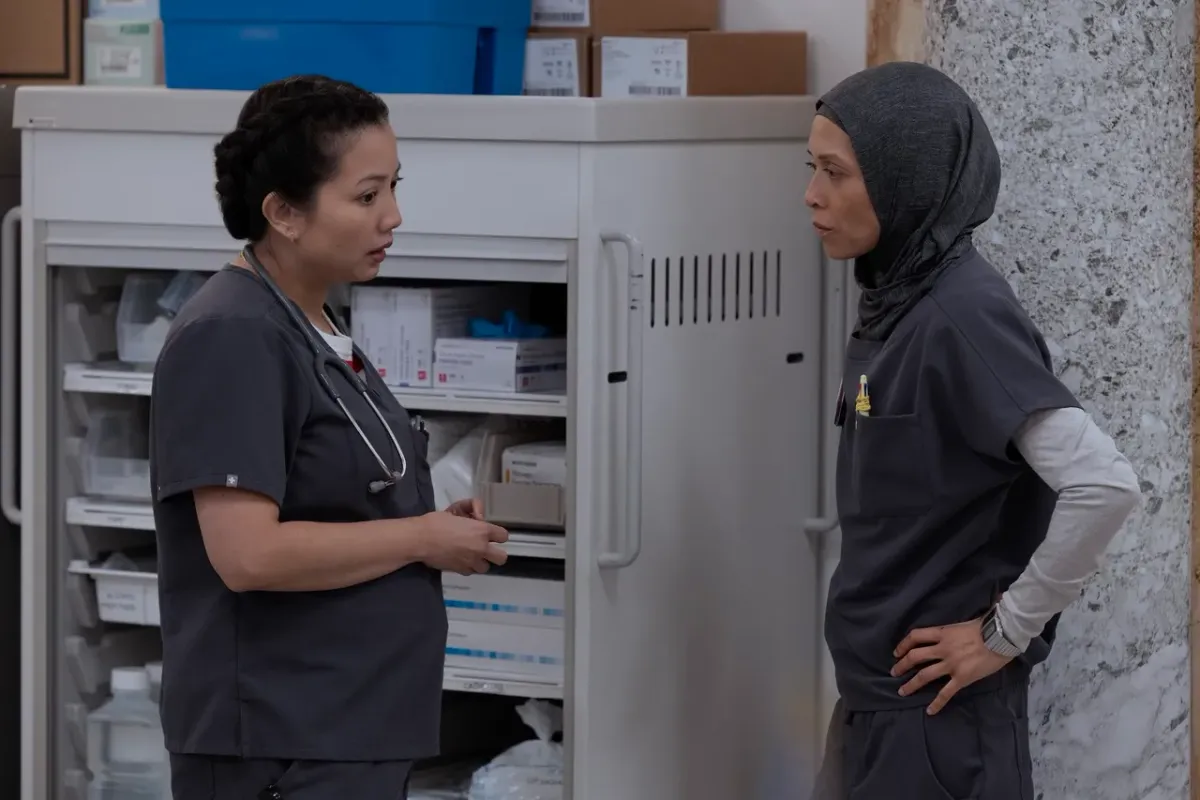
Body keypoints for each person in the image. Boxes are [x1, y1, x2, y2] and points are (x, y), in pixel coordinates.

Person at [148, 75, 510, 800]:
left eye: (394, 188)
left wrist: (427, 526)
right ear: (284, 212)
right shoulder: (233, 335)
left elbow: (336, 498)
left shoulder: (312, 322)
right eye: (367, 196)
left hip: (346, 728)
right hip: (279, 740)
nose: (394, 216)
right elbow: (248, 555)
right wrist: (419, 538)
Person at [804, 62, 1141, 798]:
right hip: (876, 709)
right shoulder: (896, 298)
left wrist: (1005, 632)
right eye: (813, 167)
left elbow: (1104, 485)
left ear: (906, 181)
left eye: (836, 172)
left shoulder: (962, 313)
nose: (813, 195)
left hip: (936, 732)